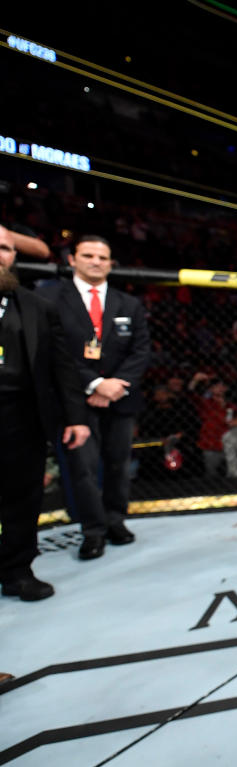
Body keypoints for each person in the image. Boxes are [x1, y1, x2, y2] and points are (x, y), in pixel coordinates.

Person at [38, 235, 150, 560]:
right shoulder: (49, 299)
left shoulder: (128, 303)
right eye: (88, 255)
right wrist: (95, 383)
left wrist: (116, 384)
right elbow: (53, 352)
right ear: (72, 259)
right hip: (74, 401)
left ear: (111, 262)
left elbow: (141, 351)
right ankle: (92, 530)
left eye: (103, 257)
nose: (96, 262)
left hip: (120, 398)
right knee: (82, 468)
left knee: (118, 464)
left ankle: (115, 521)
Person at [0, 226, 91, 601]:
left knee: (23, 496)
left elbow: (62, 367)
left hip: (20, 414)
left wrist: (76, 416)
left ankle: (17, 570)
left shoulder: (37, 306)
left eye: (5, 248)